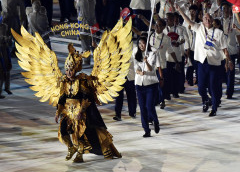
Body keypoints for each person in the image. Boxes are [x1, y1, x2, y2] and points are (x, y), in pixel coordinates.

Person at [13, 19, 131, 163]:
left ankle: (85, 153)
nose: (68, 72)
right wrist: (58, 111)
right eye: (67, 69)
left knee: (85, 133)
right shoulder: (62, 81)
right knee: (63, 133)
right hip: (68, 112)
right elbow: (62, 97)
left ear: (75, 69)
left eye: (71, 70)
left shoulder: (82, 80)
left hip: (82, 112)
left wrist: (81, 110)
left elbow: (87, 97)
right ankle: (71, 148)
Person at [176, 5, 233, 117]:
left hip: (214, 63)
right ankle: (206, 100)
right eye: (205, 18)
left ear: (212, 20)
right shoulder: (199, 27)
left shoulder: (219, 33)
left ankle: (214, 108)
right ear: (202, 20)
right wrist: (180, 11)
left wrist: (228, 61)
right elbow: (189, 21)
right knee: (201, 87)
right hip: (202, 62)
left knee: (213, 86)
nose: (207, 20)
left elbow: (225, 49)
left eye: (209, 18)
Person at [133, 35, 160, 137]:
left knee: (149, 106)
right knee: (142, 108)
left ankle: (155, 121)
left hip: (150, 84)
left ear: (147, 44)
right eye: (139, 44)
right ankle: (146, 130)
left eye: (143, 43)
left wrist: (146, 62)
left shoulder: (152, 54)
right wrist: (139, 72)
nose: (141, 46)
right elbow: (136, 67)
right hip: (139, 84)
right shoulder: (136, 54)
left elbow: (151, 69)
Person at [0, 22, 12, 98]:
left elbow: (8, 49)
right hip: (1, 58)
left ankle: (7, 88)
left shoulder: (4, 40)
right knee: (1, 76)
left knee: (7, 73)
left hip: (6, 57)